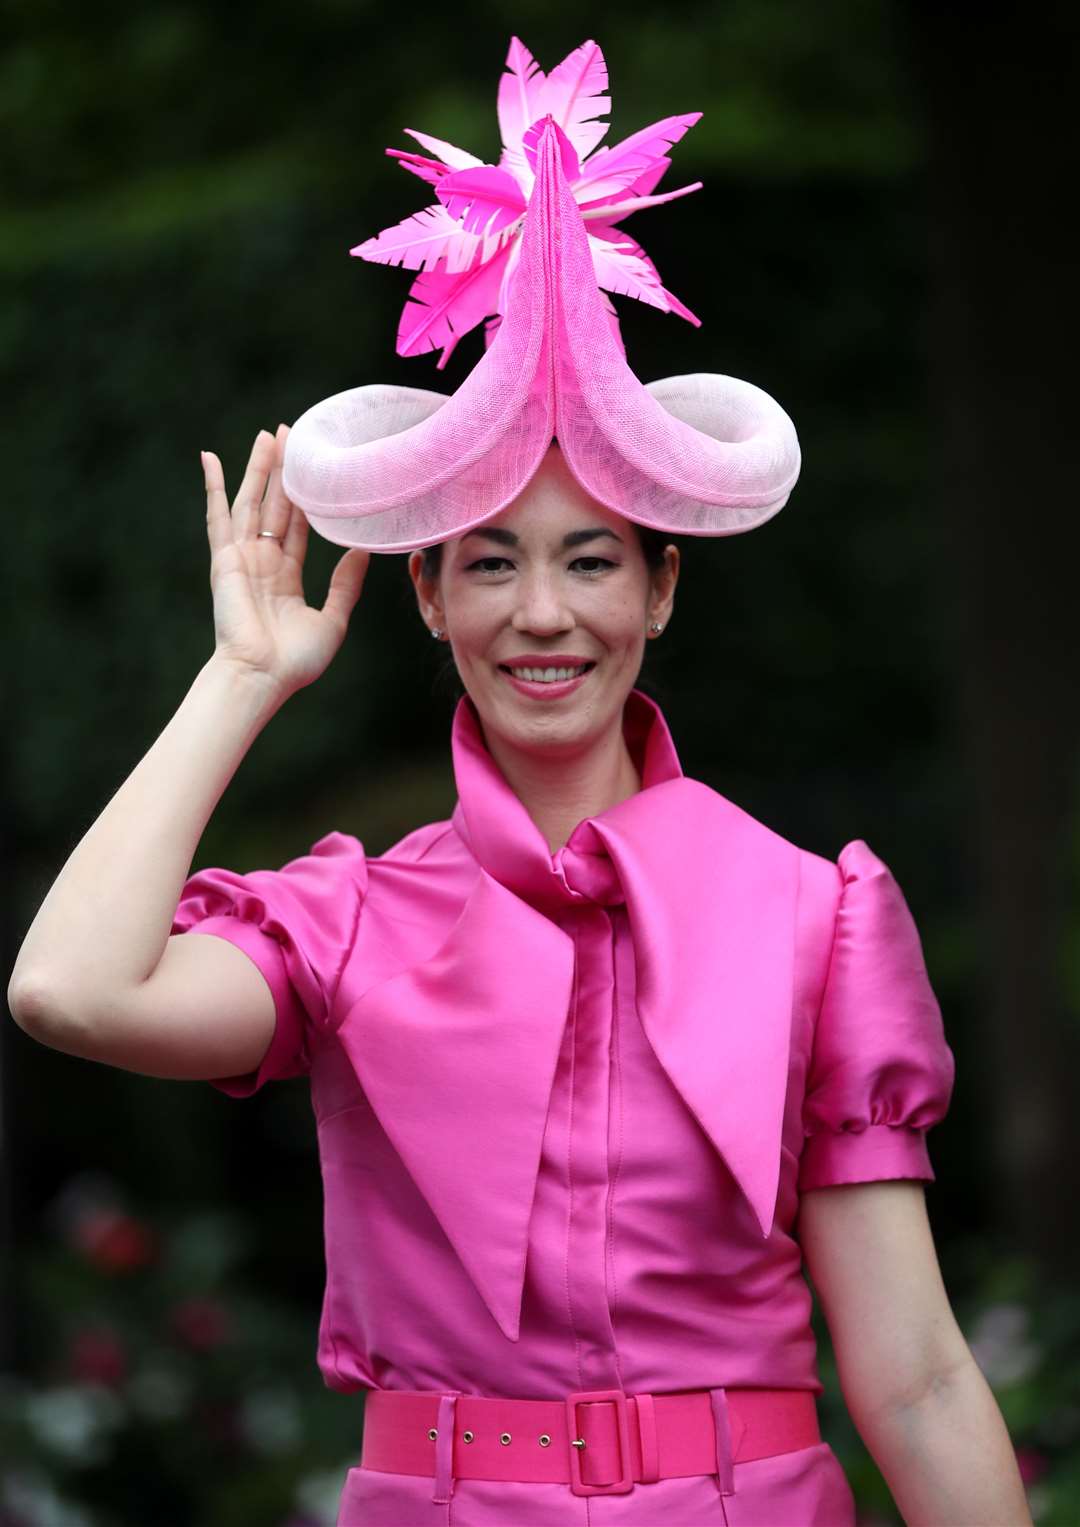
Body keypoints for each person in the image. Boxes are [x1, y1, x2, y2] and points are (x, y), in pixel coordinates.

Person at [8, 38, 1032, 1527]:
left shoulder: (813, 919)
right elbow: (70, 991)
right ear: (427, 598)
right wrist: (243, 679)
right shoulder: (344, 922)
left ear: (663, 587)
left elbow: (920, 1378)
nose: (541, 614)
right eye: (489, 562)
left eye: (591, 560)